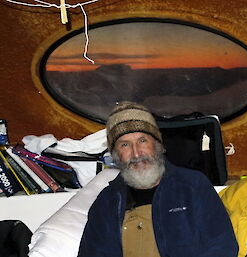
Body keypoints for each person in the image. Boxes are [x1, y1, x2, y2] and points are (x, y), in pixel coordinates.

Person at [77, 101, 238, 257]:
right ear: (115, 155)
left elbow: (223, 247)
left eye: (142, 141)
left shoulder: (193, 186)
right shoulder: (106, 202)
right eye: (125, 145)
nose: (137, 153)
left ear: (157, 144)